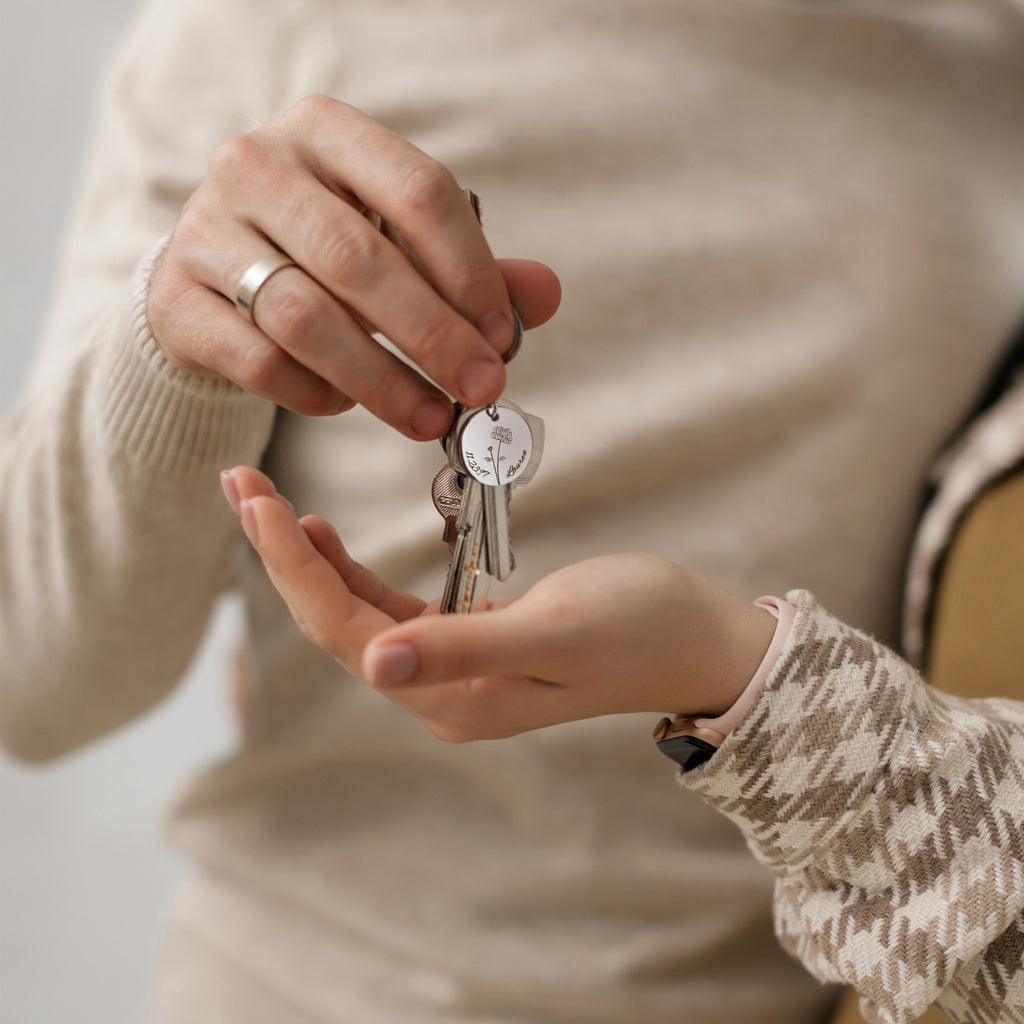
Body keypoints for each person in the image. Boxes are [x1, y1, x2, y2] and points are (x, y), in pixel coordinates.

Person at [1, 0, 1022, 1022]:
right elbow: (31, 684)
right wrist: (173, 344)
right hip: (306, 985)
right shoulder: (250, 29)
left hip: (836, 979)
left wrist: (737, 666)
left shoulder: (988, 57)